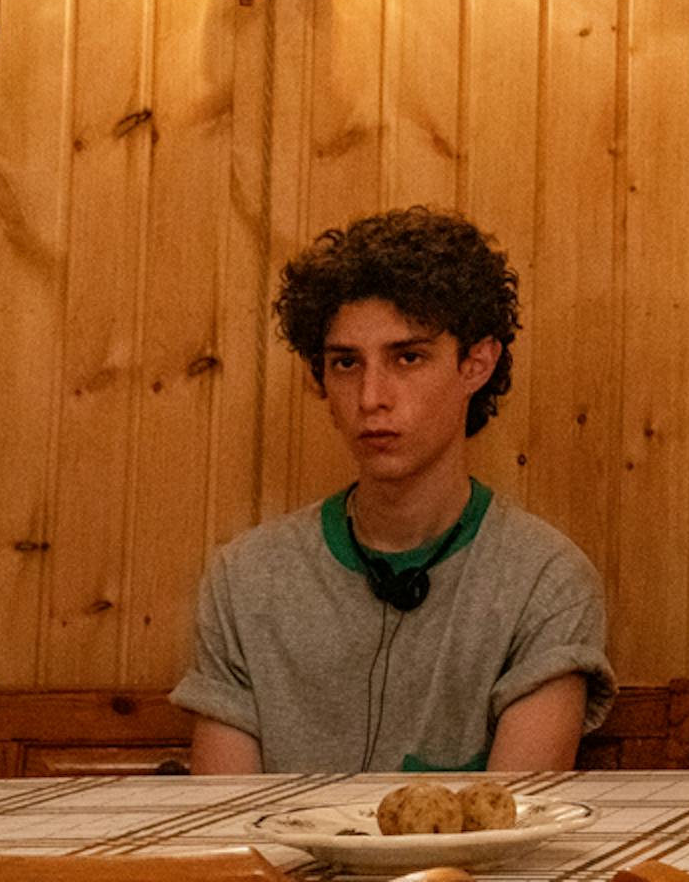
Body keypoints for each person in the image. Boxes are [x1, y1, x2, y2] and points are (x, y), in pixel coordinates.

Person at [174, 209, 612, 773]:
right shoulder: (245, 581)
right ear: (320, 378)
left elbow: (512, 822)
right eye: (345, 363)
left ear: (477, 363)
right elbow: (228, 834)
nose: (371, 396)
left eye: (408, 357)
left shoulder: (543, 580)